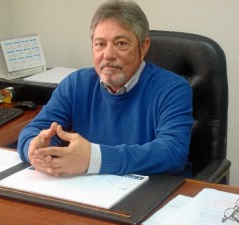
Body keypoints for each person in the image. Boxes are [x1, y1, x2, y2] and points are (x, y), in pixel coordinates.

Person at [17, 0, 193, 177]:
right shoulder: (76, 84)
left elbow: (173, 152)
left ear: (143, 46)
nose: (108, 55)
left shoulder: (173, 89)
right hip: (88, 191)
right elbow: (36, 130)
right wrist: (34, 148)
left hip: (150, 192)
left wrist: (94, 159)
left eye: (121, 43)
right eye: (100, 44)